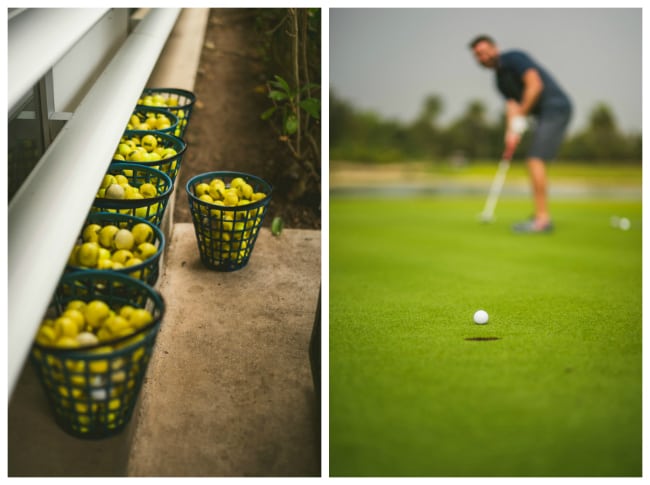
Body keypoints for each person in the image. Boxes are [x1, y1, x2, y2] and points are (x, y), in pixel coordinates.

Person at [469, 35, 572, 233]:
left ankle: (542, 220)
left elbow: (534, 85)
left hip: (556, 107)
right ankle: (540, 215)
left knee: (535, 160)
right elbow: (512, 106)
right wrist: (511, 133)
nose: (482, 57)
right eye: (478, 56)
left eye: (484, 51)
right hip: (541, 113)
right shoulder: (499, 81)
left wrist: (521, 116)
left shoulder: (513, 58)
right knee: (534, 159)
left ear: (494, 48)